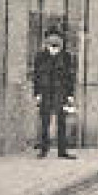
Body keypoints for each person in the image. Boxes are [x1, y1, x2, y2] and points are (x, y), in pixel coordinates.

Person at [32, 27, 77, 159]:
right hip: (45, 92)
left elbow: (69, 77)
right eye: (51, 36)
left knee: (62, 121)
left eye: (57, 37)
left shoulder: (66, 56)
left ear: (61, 40)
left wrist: (70, 95)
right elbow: (36, 76)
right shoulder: (40, 56)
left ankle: (62, 151)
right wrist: (37, 93)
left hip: (61, 93)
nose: (54, 39)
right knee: (44, 121)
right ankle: (43, 149)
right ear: (46, 40)